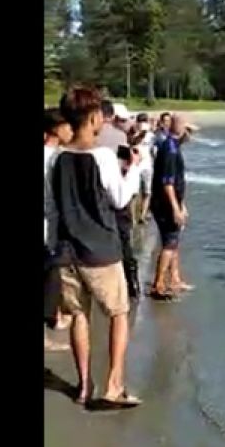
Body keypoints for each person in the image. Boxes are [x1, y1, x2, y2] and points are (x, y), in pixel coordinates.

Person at [46, 87, 144, 407]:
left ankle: (84, 385)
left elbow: (51, 206)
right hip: (99, 249)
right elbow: (119, 198)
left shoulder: (55, 157)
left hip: (65, 250)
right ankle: (113, 384)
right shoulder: (101, 156)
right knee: (118, 313)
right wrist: (137, 169)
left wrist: (54, 247)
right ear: (93, 117)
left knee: (79, 316)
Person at [149, 114, 193, 300]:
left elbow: (176, 182)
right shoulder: (170, 150)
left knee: (174, 241)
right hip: (165, 204)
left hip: (171, 201)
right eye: (188, 130)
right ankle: (158, 284)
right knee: (169, 243)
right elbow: (167, 183)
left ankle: (174, 278)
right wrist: (175, 208)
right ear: (181, 128)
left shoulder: (173, 146)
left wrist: (182, 205)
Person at [44, 108, 73, 352]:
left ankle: (55, 317)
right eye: (67, 126)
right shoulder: (55, 158)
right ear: (55, 129)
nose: (70, 131)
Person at [115, 134, 145, 301]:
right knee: (125, 247)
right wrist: (133, 166)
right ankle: (132, 285)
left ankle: (132, 285)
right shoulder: (128, 170)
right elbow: (129, 193)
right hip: (120, 210)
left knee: (124, 247)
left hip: (118, 211)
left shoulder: (120, 168)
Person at [133, 113, 157, 222]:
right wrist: (141, 134)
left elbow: (153, 150)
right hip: (136, 165)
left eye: (145, 121)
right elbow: (132, 142)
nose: (143, 123)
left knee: (147, 192)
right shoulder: (133, 133)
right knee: (134, 192)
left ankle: (142, 215)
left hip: (148, 165)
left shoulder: (151, 136)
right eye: (141, 121)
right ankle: (133, 215)